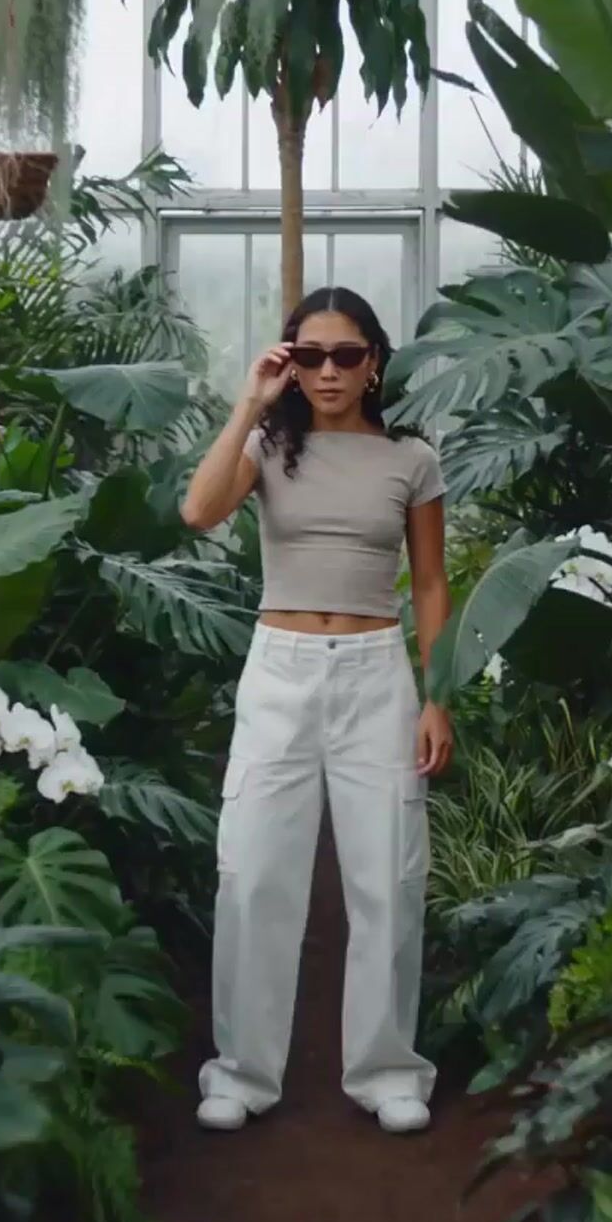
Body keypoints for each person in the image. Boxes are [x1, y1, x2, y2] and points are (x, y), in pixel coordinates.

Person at [181, 285, 453, 1136]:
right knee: (255, 869)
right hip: (281, 669)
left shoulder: (411, 457)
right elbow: (198, 511)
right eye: (308, 356)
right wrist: (248, 404)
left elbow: (434, 584)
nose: (327, 371)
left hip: (377, 670)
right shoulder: (266, 446)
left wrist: (436, 693)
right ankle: (240, 1072)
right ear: (289, 363)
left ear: (374, 362)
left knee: (387, 873)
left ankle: (385, 1071)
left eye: (344, 355)